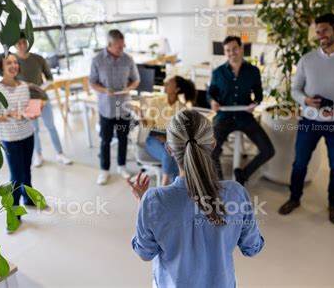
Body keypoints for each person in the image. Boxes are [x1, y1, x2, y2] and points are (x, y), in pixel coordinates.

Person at [129, 109, 264, 287]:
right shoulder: (236, 193)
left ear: (169, 149)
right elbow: (252, 247)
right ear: (213, 144)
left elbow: (145, 253)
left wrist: (143, 205)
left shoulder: (153, 200)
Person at [278, 13, 334, 225]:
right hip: (308, 122)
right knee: (299, 163)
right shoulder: (307, 60)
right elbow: (295, 90)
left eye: (325, 30)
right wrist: (305, 100)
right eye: (317, 31)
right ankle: (294, 198)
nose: (320, 35)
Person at [208, 36, 275, 185]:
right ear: (225, 52)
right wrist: (212, 101)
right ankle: (221, 185)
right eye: (228, 50)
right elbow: (210, 93)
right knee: (211, 151)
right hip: (223, 117)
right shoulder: (218, 73)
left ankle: (243, 174)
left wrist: (255, 103)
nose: (232, 53)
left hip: (245, 117)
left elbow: (258, 95)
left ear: (241, 49)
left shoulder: (253, 71)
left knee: (268, 150)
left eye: (234, 49)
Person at [0, 53, 38, 224]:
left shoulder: (24, 86)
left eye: (15, 62)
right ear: (1, 66)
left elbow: (26, 109)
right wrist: (11, 114)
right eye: (8, 62)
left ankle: (28, 199)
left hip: (27, 134)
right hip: (10, 138)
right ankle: (13, 212)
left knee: (27, 170)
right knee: (15, 176)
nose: (13, 65)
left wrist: (33, 112)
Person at [89, 29, 140, 185]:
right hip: (106, 108)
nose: (122, 49)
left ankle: (122, 166)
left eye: (123, 46)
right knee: (105, 140)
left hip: (124, 107)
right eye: (119, 47)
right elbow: (92, 82)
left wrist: (129, 88)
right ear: (109, 45)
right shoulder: (97, 60)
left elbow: (135, 80)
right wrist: (105, 90)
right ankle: (104, 170)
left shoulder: (128, 60)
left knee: (123, 138)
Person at [15, 32, 72, 167]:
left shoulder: (38, 59)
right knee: (34, 130)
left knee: (51, 126)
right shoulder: (13, 62)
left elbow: (50, 78)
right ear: (15, 45)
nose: (22, 45)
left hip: (42, 99)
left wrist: (41, 88)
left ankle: (60, 153)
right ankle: (38, 155)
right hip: (26, 102)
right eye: (19, 43)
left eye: (24, 42)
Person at [142, 75, 197, 185]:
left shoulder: (183, 109)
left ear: (176, 89)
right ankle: (170, 186)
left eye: (169, 83)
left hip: (172, 143)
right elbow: (148, 125)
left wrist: (168, 138)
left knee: (170, 151)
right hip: (153, 140)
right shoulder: (155, 102)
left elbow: (183, 133)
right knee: (173, 155)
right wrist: (142, 118)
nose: (165, 85)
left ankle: (166, 186)